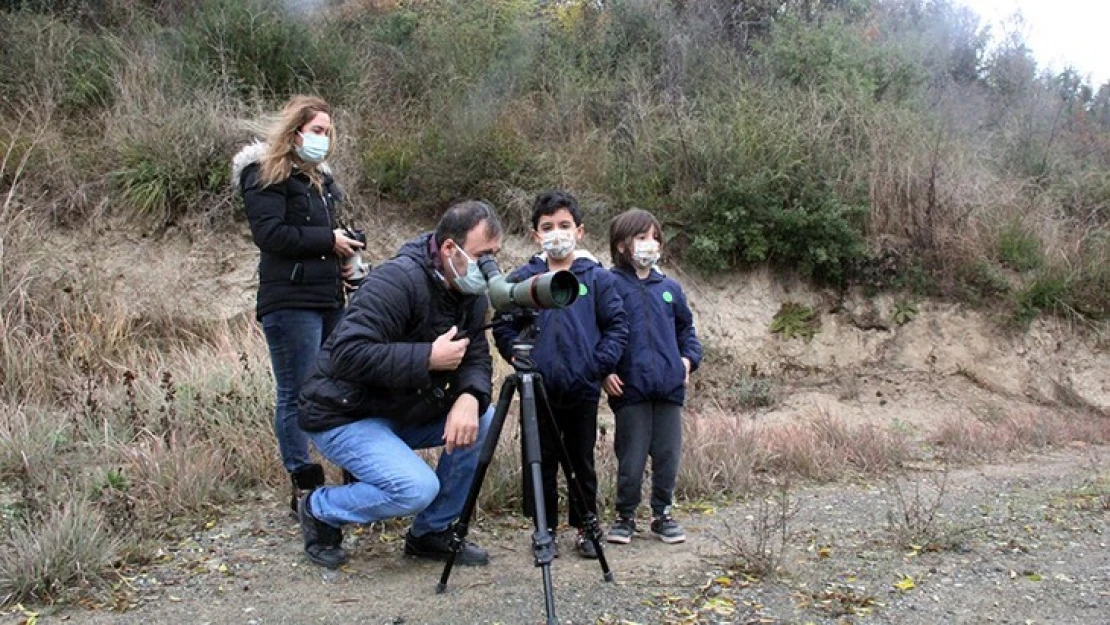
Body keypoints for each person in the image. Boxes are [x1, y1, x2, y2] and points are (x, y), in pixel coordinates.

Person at [295, 200, 503, 569]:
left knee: (483, 417)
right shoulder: (396, 280)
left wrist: (471, 395)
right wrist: (427, 358)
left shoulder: (470, 292)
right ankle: (319, 508)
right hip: (344, 414)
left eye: (494, 256)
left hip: (399, 409)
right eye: (482, 256)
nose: (488, 267)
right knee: (416, 488)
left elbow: (476, 357)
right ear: (449, 249)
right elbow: (346, 353)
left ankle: (430, 533)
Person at [232, 95, 366, 514]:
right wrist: (328, 241)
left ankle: (353, 470)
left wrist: (346, 251)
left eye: (328, 132)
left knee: (341, 384)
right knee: (297, 390)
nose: (324, 140)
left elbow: (323, 233)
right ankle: (303, 480)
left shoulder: (323, 181)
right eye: (318, 131)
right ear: (295, 132)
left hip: (329, 296)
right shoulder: (262, 172)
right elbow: (271, 235)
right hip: (289, 300)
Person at [492, 191, 628, 559]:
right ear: (536, 235)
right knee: (540, 461)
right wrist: (519, 361)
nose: (557, 233)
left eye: (564, 226)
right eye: (547, 227)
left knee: (581, 460)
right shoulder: (523, 280)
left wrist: (596, 367)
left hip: (582, 389)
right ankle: (544, 529)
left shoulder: (598, 278)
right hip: (536, 389)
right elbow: (503, 326)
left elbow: (616, 326)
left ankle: (586, 525)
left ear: (580, 231)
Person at [603, 208, 702, 545]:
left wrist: (688, 360)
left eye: (654, 237)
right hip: (630, 389)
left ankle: (663, 515)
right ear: (621, 245)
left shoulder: (670, 288)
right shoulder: (609, 284)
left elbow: (686, 331)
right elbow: (598, 332)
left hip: (669, 388)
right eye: (641, 237)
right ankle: (625, 517)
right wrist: (605, 371)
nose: (650, 244)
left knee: (667, 455)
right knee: (630, 458)